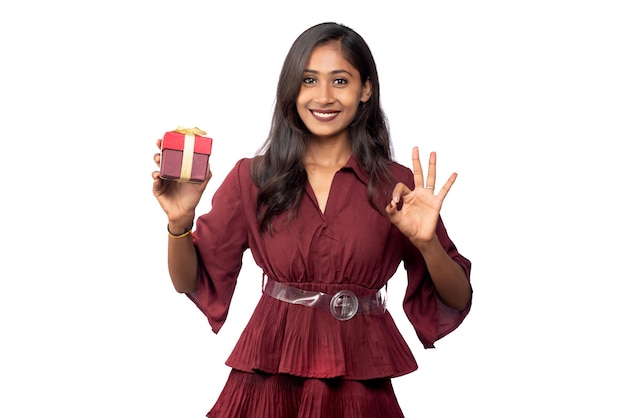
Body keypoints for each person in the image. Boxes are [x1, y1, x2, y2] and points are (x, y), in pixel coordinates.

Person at [152, 21, 472, 418]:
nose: (323, 96)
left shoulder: (400, 186)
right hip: (267, 384)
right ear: (292, 89)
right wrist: (180, 221)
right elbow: (191, 281)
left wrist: (428, 244)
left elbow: (456, 298)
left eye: (340, 80)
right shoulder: (252, 178)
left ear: (365, 89)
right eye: (309, 80)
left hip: (360, 383)